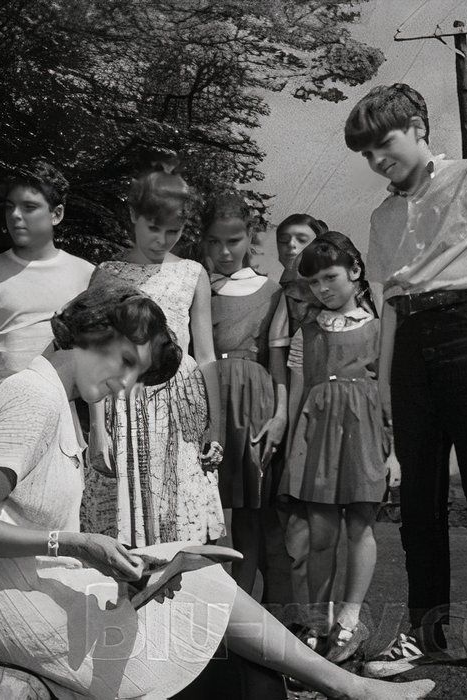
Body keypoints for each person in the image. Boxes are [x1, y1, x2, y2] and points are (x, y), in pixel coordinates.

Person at [0, 283, 435, 700]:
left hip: (31, 587)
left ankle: (344, 687)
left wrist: (107, 558)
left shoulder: (52, 398)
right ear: (93, 334)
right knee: (218, 625)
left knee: (204, 590)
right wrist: (72, 545)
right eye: (127, 362)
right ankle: (350, 688)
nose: (126, 383)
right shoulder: (31, 398)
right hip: (4, 606)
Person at [345, 83, 467, 677]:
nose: (378, 159)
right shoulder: (381, 215)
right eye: (366, 152)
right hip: (409, 350)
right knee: (419, 499)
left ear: (419, 127)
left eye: (385, 142)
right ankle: (424, 631)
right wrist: (383, 385)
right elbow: (391, 301)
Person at [80, 154, 225, 547]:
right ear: (132, 215)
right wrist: (97, 428)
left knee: (179, 522)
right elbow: (95, 355)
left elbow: (207, 355)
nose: (162, 241)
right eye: (153, 228)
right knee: (125, 528)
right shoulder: (107, 273)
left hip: (181, 405)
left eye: (174, 231)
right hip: (123, 404)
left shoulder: (193, 273)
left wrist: (216, 423)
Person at [281, 232, 392, 664]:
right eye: (313, 283)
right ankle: (317, 622)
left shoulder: (380, 328)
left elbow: (388, 391)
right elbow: (296, 394)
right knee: (321, 534)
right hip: (319, 438)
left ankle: (349, 619)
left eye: (330, 277)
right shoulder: (305, 332)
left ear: (355, 272)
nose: (323, 288)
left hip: (365, 436)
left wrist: (394, 449)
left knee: (360, 527)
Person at [0, 162, 95, 467]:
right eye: (10, 207)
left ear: (57, 214)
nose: (15, 216)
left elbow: (94, 354)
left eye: (29, 207)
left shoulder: (85, 275)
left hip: (58, 408)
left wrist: (99, 428)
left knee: (51, 509)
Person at [202, 192, 284, 594]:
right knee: (205, 507)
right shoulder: (198, 288)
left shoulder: (270, 291)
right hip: (205, 402)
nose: (224, 251)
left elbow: (278, 361)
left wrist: (277, 416)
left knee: (251, 509)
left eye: (233, 241)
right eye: (214, 241)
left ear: (249, 237)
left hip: (254, 402)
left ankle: (245, 604)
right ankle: (207, 602)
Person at [266, 212, 329, 640]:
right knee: (292, 520)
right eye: (284, 239)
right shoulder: (284, 293)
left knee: (329, 523)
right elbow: (279, 361)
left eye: (300, 239)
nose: (291, 247)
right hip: (295, 411)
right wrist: (284, 414)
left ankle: (326, 623)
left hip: (336, 413)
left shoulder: (341, 293)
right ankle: (296, 622)